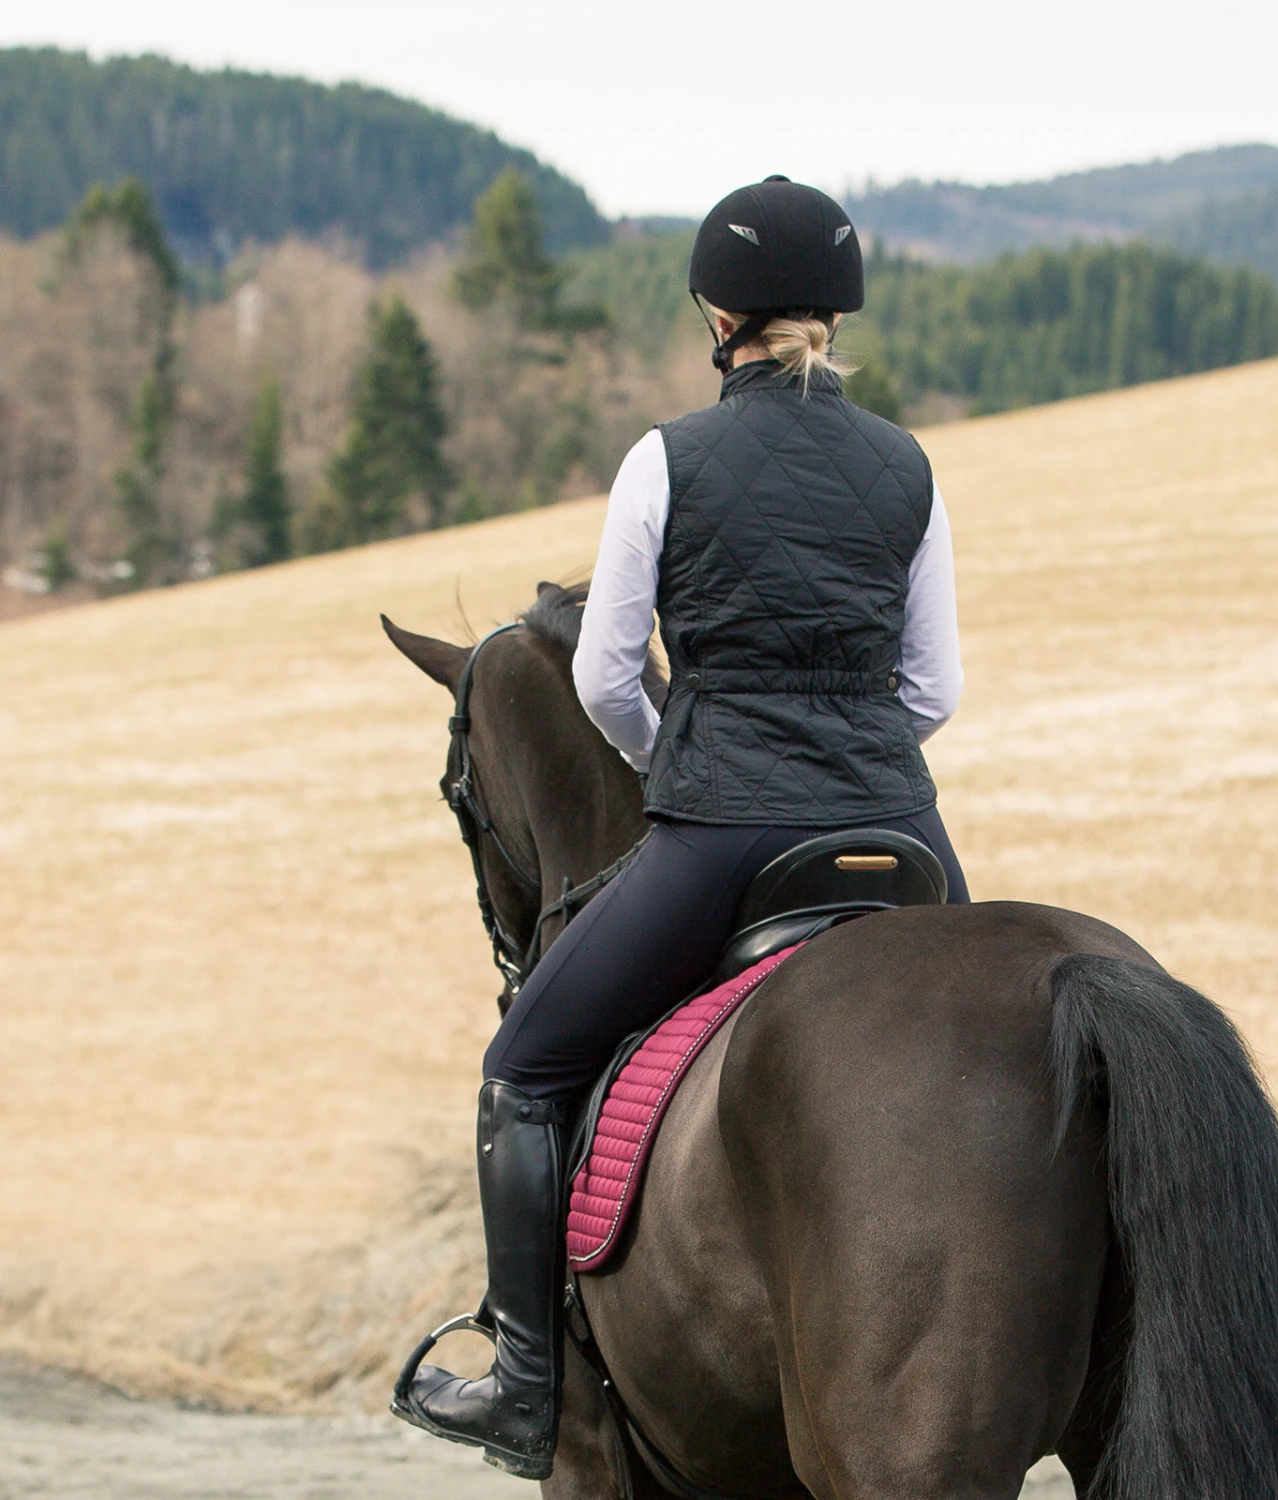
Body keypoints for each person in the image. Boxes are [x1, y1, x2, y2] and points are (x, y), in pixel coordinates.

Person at [396, 176, 969, 1477]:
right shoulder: (907, 465)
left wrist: (688, 766)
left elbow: (606, 676)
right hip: (904, 830)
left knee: (526, 1073)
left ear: (720, 313)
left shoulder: (666, 459)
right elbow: (936, 689)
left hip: (721, 834)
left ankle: (526, 1389)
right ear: (835, 307)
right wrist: (854, 770)